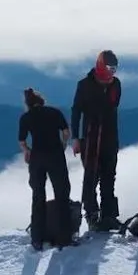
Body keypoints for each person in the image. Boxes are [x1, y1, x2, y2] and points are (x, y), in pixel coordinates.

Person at [71, 49, 122, 231]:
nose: (112, 72)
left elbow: (113, 106)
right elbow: (76, 110)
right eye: (109, 68)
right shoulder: (84, 85)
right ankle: (92, 215)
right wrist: (75, 137)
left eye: (114, 68)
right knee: (91, 176)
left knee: (109, 177)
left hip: (110, 137)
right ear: (101, 65)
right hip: (90, 137)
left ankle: (109, 215)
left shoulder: (116, 84)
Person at [18, 88, 72, 251]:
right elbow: (66, 132)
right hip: (55, 155)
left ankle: (37, 239)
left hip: (37, 158)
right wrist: (63, 144)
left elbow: (22, 141)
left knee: (38, 196)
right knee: (62, 194)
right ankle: (64, 238)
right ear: (42, 101)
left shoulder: (25, 117)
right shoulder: (54, 112)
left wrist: (28, 151)